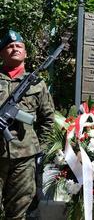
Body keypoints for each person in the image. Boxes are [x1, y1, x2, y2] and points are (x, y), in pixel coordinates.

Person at [0, 30, 55, 219]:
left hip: (24, 158)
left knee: (18, 211)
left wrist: (38, 149)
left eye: (19, 46)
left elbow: (47, 119)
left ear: (25, 53)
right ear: (1, 53)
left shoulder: (37, 84)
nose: (14, 48)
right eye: (9, 46)